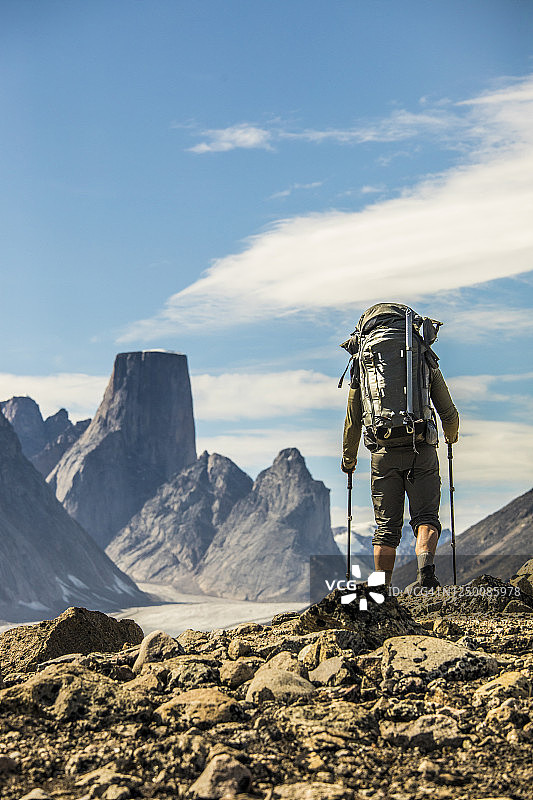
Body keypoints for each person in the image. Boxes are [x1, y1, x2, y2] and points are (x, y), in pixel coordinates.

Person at [341, 305, 459, 589]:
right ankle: (426, 577)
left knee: (386, 529)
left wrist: (348, 460)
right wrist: (450, 436)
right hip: (421, 448)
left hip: (382, 454)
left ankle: (382, 589)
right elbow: (449, 413)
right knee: (426, 517)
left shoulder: (364, 363)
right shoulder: (420, 355)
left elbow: (353, 420)